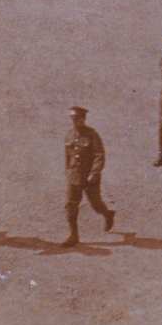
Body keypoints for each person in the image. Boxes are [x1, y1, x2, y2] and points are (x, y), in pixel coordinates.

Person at [62, 106, 115, 247]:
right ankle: (73, 236)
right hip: (74, 176)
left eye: (77, 119)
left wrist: (94, 173)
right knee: (70, 205)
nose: (75, 121)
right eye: (72, 119)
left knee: (96, 204)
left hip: (89, 177)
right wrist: (68, 171)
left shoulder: (92, 134)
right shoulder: (69, 135)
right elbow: (67, 156)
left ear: (83, 119)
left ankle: (108, 214)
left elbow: (99, 155)